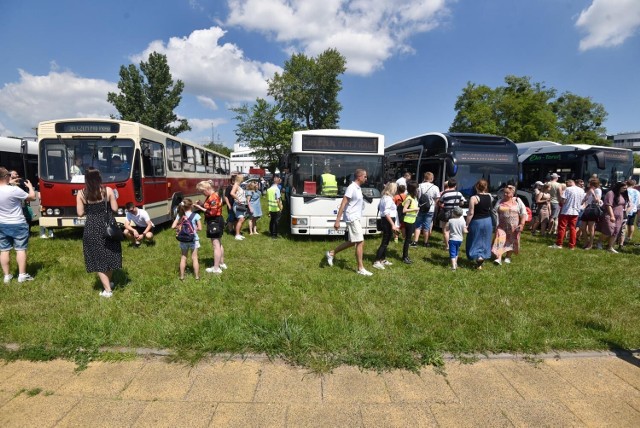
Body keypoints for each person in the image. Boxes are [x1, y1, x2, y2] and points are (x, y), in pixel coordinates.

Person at [76, 167, 122, 297]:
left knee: (98, 259)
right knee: (110, 254)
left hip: (92, 227)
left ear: (86, 179)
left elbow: (79, 213)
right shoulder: (107, 190)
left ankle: (108, 290)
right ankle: (109, 284)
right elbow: (115, 208)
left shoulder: (81, 193)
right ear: (99, 178)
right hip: (108, 226)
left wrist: (90, 210)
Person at [325, 169, 372, 276]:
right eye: (365, 176)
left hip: (355, 218)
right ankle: (360, 268)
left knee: (352, 241)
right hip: (352, 218)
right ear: (359, 177)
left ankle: (331, 253)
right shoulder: (351, 188)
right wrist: (337, 220)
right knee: (360, 241)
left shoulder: (358, 188)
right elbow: (343, 203)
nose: (366, 178)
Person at [0, 166, 36, 284]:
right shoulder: (14, 190)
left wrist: (9, 182)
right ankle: (22, 275)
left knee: (4, 250)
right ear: (6, 177)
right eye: (9, 175)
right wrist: (30, 187)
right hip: (17, 223)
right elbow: (32, 197)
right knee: (20, 249)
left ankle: (7, 276)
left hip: (2, 223)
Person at [195, 181, 227, 274]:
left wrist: (199, 207)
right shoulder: (212, 196)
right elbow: (210, 208)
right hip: (217, 220)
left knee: (215, 245)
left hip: (214, 221)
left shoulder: (213, 197)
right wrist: (202, 204)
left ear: (206, 189)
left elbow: (212, 212)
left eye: (202, 192)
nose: (202, 194)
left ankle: (216, 268)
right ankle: (221, 263)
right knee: (219, 243)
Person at [492, 184, 527, 265]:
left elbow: (523, 213)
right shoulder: (500, 201)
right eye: (504, 193)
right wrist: (495, 222)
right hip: (501, 226)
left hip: (514, 227)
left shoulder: (518, 201)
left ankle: (508, 256)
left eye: (507, 193)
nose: (505, 194)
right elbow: (494, 212)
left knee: (511, 241)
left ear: (512, 193)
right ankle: (498, 258)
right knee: (499, 240)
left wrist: (522, 224)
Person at [465, 179, 493, 270]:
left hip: (477, 221)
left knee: (475, 239)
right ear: (486, 187)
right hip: (488, 220)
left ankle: (478, 257)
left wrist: (466, 224)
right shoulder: (489, 196)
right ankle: (481, 261)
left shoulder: (474, 198)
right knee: (485, 240)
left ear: (476, 186)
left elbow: (470, 213)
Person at [549, 179, 585, 250]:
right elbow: (582, 201)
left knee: (562, 227)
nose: (566, 184)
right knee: (573, 228)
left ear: (571, 183)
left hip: (566, 211)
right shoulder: (582, 190)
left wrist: (560, 198)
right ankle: (572, 245)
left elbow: (563, 201)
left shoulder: (568, 189)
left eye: (567, 183)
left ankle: (559, 244)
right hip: (575, 211)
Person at [171, 198, 201, 280]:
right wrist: (193, 230)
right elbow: (200, 228)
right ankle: (197, 277)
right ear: (191, 206)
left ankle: (182, 276)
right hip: (193, 239)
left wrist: (180, 227)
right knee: (194, 258)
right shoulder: (196, 215)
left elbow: (173, 226)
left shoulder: (179, 216)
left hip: (183, 239)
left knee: (183, 257)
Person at [596, 181, 628, 253]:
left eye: (626, 188)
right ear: (619, 187)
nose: (625, 189)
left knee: (616, 232)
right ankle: (599, 242)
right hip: (611, 214)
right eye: (624, 188)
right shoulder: (610, 193)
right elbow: (608, 205)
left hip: (620, 215)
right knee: (609, 230)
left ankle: (610, 247)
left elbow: (625, 203)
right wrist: (612, 215)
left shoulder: (622, 194)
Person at [373, 182, 399, 270]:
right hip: (388, 221)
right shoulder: (388, 199)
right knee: (384, 242)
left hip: (386, 220)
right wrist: (393, 225)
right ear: (392, 189)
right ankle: (377, 261)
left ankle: (382, 259)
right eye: (395, 188)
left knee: (386, 241)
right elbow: (386, 212)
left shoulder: (384, 197)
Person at [438, 179, 466, 250]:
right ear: (455, 186)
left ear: (448, 185)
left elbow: (440, 203)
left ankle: (447, 246)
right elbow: (462, 202)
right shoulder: (459, 193)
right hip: (456, 214)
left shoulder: (445, 193)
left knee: (445, 230)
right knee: (453, 230)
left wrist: (444, 206)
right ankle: (454, 244)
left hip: (446, 213)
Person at [413, 172, 439, 247]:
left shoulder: (419, 186)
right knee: (427, 226)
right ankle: (426, 242)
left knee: (418, 225)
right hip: (430, 209)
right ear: (432, 179)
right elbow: (437, 198)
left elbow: (417, 196)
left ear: (424, 178)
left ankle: (415, 241)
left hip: (420, 207)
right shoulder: (435, 187)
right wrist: (433, 204)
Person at [579, 177, 602, 250]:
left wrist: (593, 193)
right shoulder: (589, 190)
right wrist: (585, 198)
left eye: (589, 183)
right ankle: (586, 241)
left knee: (591, 228)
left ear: (592, 184)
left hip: (593, 209)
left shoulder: (598, 190)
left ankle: (590, 244)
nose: (588, 184)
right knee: (582, 227)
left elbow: (597, 200)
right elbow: (583, 201)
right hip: (587, 208)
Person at [401, 181, 419, 264]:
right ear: (413, 189)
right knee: (407, 240)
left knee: (409, 239)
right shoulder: (409, 198)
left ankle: (406, 256)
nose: (418, 190)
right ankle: (405, 257)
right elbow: (404, 210)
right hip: (408, 221)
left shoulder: (414, 198)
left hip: (412, 220)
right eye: (416, 188)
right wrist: (415, 209)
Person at [230, 174, 248, 240]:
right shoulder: (236, 185)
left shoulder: (238, 185)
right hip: (238, 204)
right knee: (241, 219)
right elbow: (232, 193)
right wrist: (238, 199)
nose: (244, 179)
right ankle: (237, 235)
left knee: (241, 219)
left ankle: (238, 233)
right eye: (243, 178)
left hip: (241, 204)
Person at [625, 179, 639, 244]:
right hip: (634, 209)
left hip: (626, 209)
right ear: (633, 185)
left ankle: (623, 237)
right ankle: (629, 237)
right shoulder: (637, 192)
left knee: (624, 224)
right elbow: (639, 202)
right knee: (631, 224)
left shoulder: (625, 190)